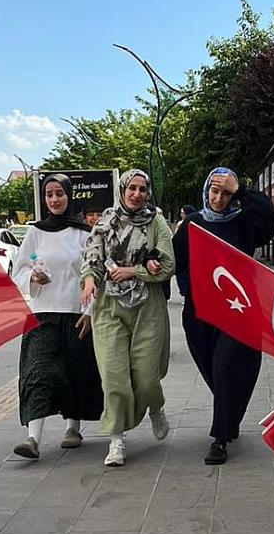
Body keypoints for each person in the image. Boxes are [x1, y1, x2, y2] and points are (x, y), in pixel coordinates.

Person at [173, 168, 274, 464]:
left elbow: (270, 215)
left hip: (237, 311)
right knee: (215, 375)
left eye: (226, 193)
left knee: (225, 369)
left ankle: (219, 439)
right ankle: (229, 420)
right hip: (199, 314)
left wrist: (242, 190)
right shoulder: (193, 224)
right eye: (214, 191)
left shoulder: (243, 223)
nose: (219, 199)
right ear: (206, 191)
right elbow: (174, 259)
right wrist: (152, 262)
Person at [80, 169, 175, 467]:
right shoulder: (105, 222)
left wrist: (134, 271)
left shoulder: (156, 222)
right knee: (114, 376)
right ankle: (116, 440)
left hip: (147, 305)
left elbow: (168, 263)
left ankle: (156, 407)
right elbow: (92, 258)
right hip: (109, 305)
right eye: (131, 188)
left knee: (147, 379)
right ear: (122, 190)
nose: (136, 194)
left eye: (142, 189)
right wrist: (89, 281)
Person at [10, 174, 103, 459]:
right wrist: (34, 278)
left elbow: (95, 275)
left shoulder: (84, 234)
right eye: (49, 194)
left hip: (75, 313)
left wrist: (89, 312)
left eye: (59, 194)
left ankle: (73, 427)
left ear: (69, 195)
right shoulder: (35, 232)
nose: (54, 200)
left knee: (75, 373)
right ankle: (33, 438)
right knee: (37, 373)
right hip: (42, 314)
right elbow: (19, 269)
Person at [173, 205, 196, 296]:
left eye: (183, 213)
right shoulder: (180, 224)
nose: (181, 215)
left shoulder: (195, 222)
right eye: (181, 213)